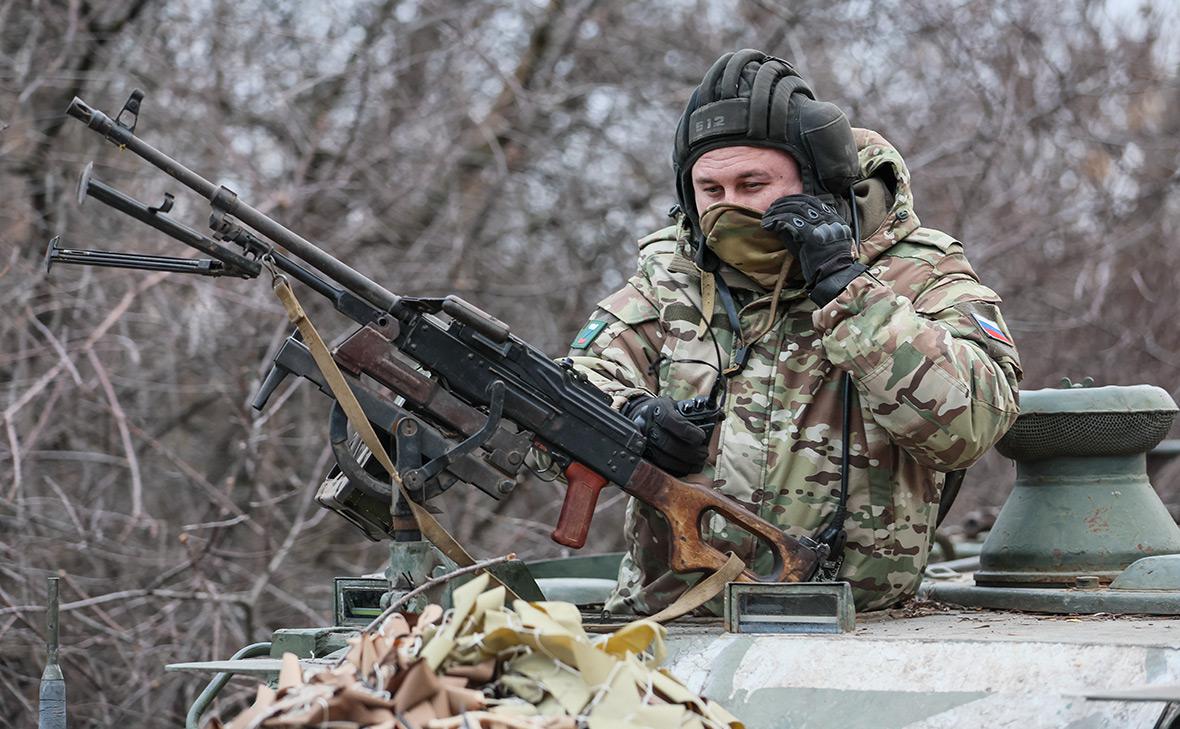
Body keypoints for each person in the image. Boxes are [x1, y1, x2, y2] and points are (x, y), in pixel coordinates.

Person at [565, 49, 1022, 614]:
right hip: (675, 621)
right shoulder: (672, 277)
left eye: (753, 184)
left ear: (818, 183)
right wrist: (628, 417)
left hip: (854, 629)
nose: (729, 210)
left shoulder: (921, 271)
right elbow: (570, 391)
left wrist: (850, 293)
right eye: (710, 191)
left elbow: (974, 424)